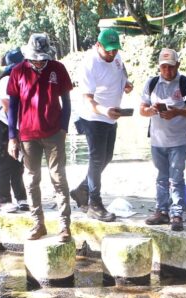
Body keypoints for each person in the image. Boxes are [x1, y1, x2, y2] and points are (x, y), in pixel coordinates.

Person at [6, 33, 73, 242]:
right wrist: (12, 136)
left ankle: (64, 225)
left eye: (42, 59)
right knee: (31, 179)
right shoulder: (18, 71)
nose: (38, 62)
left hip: (54, 132)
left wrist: (63, 128)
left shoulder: (57, 68)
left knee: (58, 178)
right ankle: (38, 223)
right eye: (35, 59)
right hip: (27, 134)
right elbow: (13, 106)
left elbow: (66, 102)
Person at [69, 29, 134, 222]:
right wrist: (105, 111)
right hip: (93, 116)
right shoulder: (89, 64)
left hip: (111, 115)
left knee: (107, 157)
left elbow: (120, 73)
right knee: (97, 159)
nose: (112, 53)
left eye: (115, 49)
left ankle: (82, 190)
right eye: (108, 50)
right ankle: (94, 204)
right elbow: (88, 100)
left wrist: (126, 84)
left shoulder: (116, 57)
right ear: (98, 45)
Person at [140, 48, 186, 232]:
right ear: (159, 66)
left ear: (178, 65)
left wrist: (177, 112)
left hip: (178, 140)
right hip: (157, 141)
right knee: (161, 177)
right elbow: (142, 109)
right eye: (164, 67)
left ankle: (176, 214)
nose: (167, 70)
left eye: (171, 67)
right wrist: (151, 110)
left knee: (176, 178)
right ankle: (161, 211)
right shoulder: (152, 83)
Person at [0, 48, 28, 213]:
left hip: (16, 126)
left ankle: (21, 197)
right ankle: (4, 200)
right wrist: (15, 131)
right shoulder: (6, 80)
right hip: (1, 127)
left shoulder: (21, 78)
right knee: (4, 162)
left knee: (18, 162)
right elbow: (7, 107)